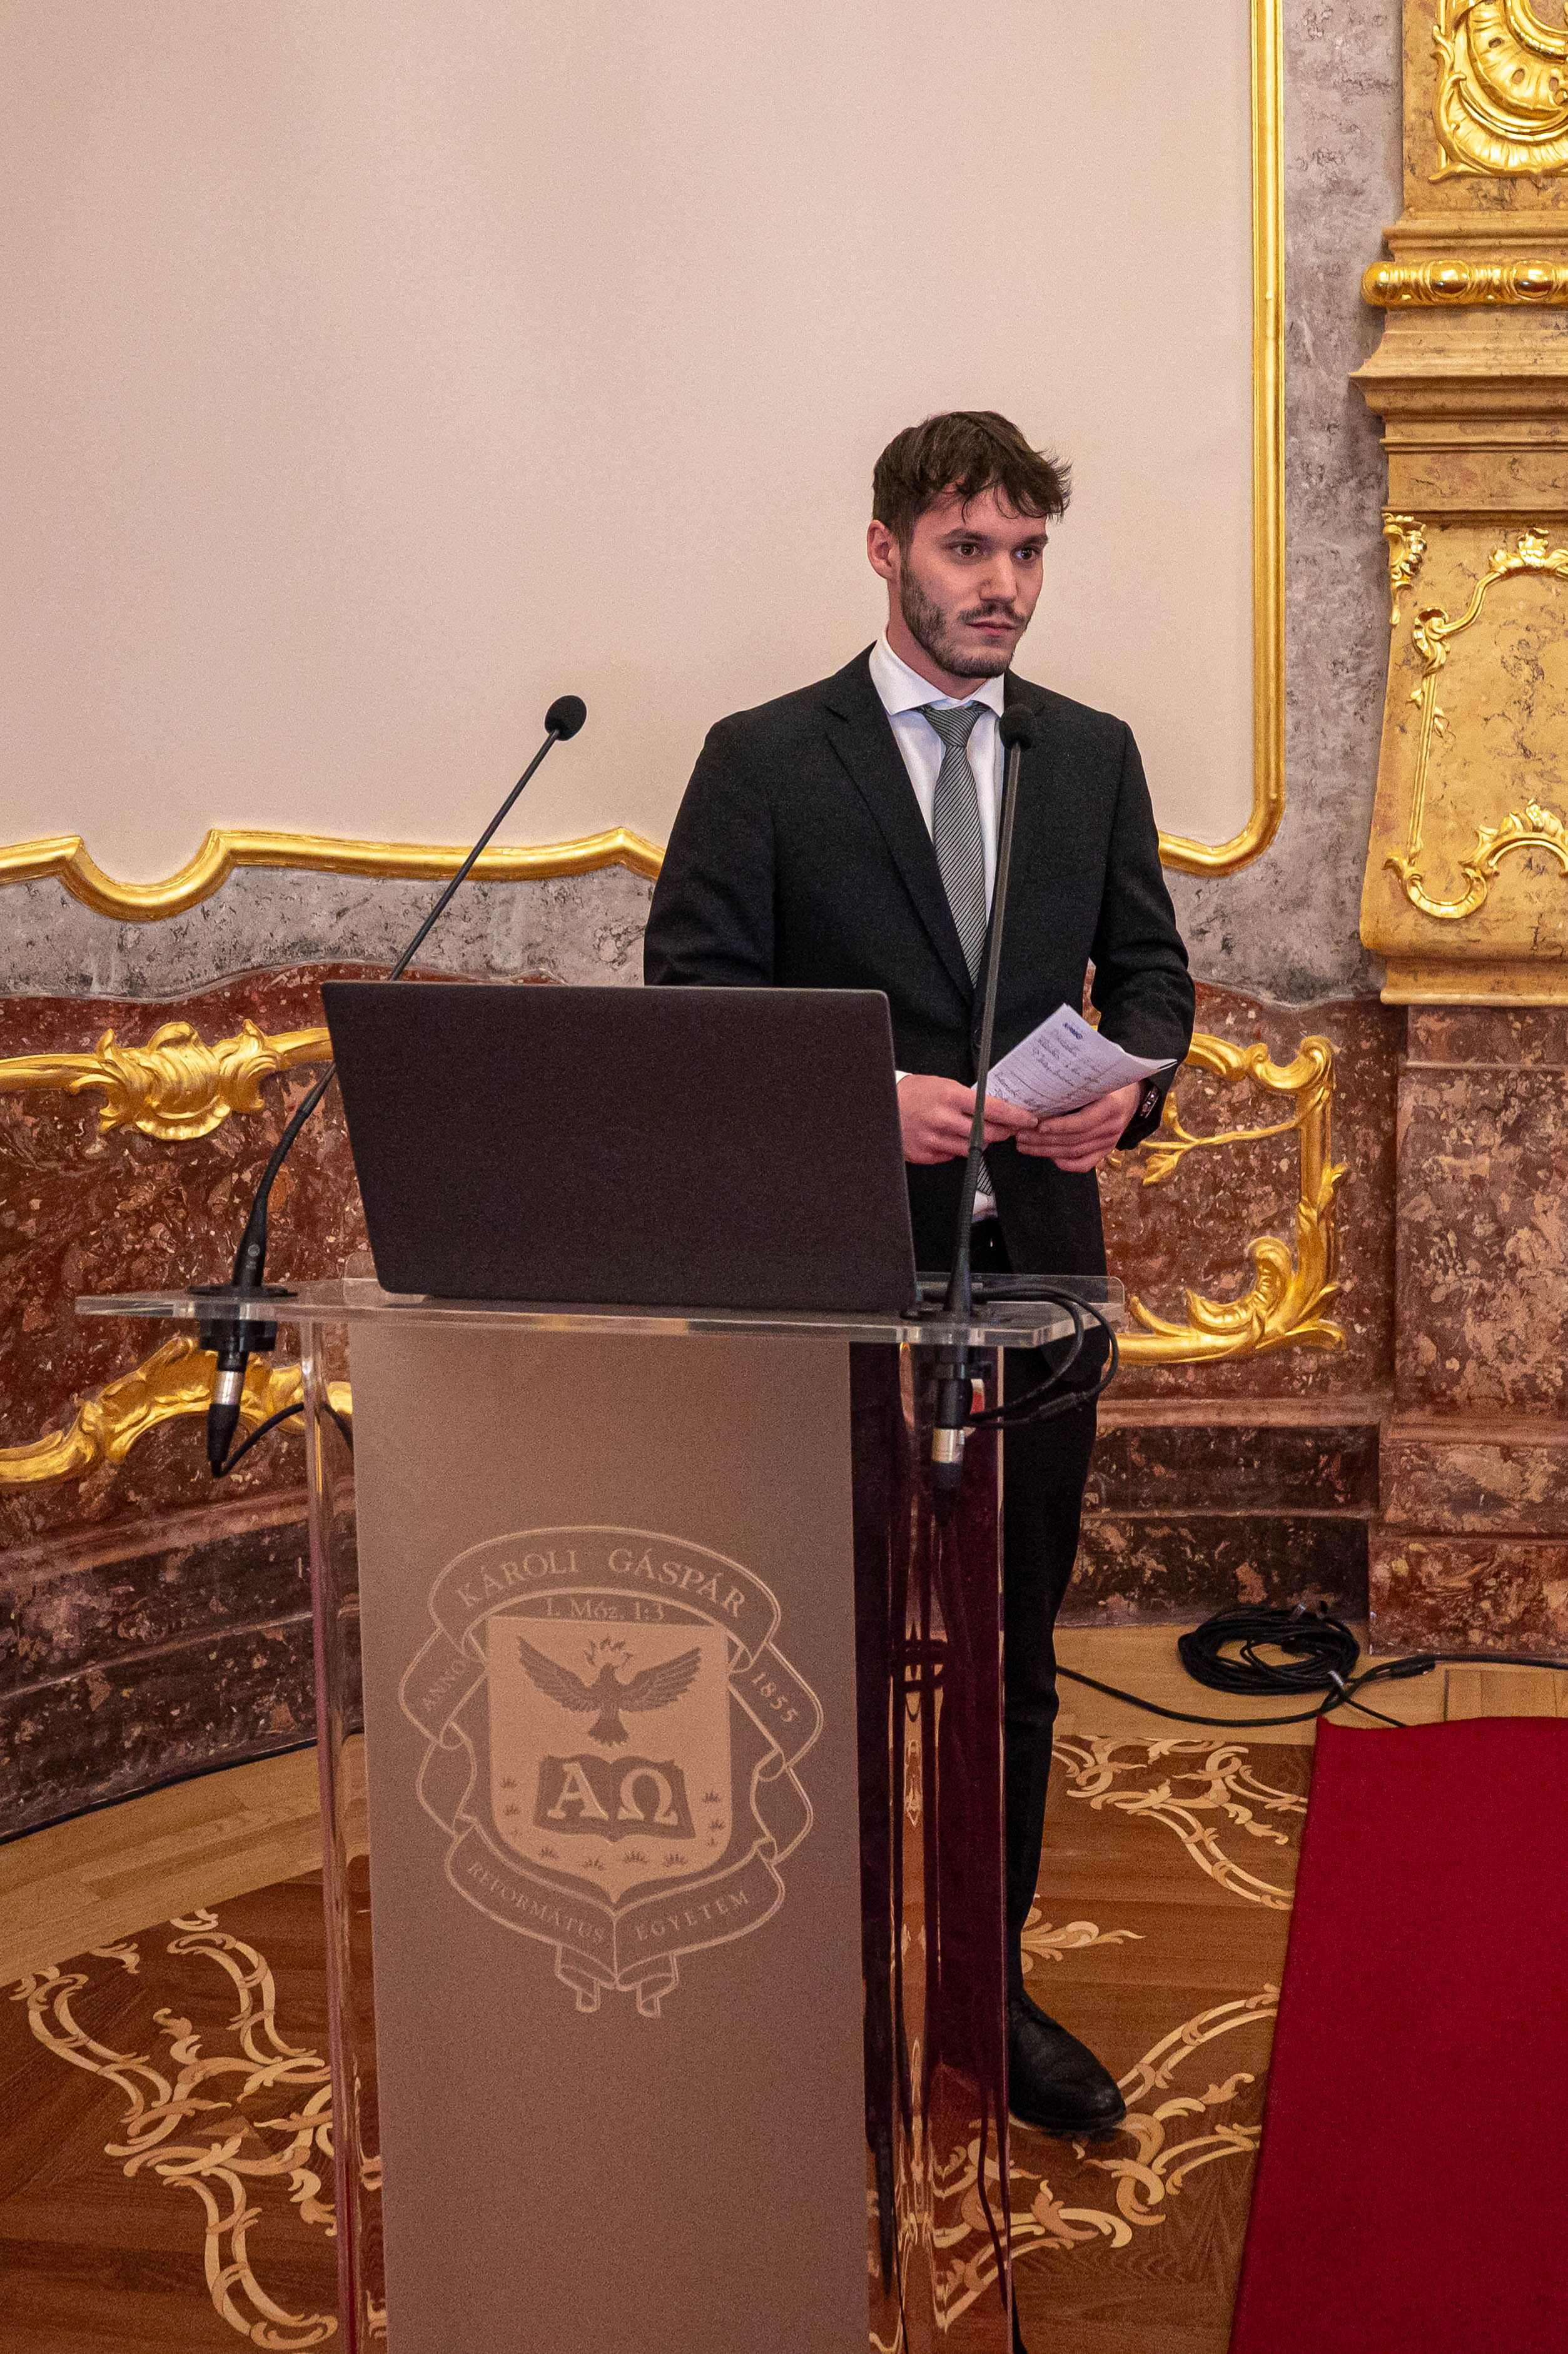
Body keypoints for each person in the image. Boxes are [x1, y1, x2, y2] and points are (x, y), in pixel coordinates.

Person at [644, 410, 1195, 2136]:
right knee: (814, 1653)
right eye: (969, 549)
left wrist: (1131, 1089)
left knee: (1011, 1659)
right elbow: (690, 1006)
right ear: (886, 550)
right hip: (830, 1283)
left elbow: (1152, 977)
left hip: (1035, 1287)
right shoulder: (763, 759)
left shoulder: (1088, 753)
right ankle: (808, 1990)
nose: (1002, 585)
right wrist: (858, 1099)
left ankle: (980, 1990)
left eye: (1025, 553)